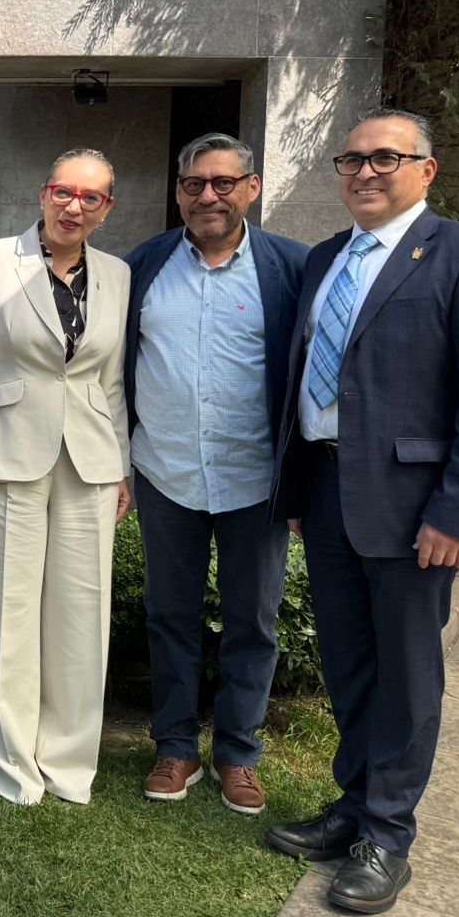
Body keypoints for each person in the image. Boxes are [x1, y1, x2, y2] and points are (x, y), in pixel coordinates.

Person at [265, 108, 459, 913]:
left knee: (408, 676)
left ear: (426, 169)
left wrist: (456, 511)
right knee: (349, 666)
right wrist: (301, 492)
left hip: (418, 511)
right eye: (352, 160)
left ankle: (387, 835)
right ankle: (352, 806)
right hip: (329, 496)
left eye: (385, 157)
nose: (366, 172)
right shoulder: (324, 259)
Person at [0, 148, 132, 805]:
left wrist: (122, 464)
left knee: (83, 614)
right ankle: (15, 765)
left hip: (91, 460)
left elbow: (111, 381)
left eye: (91, 197)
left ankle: (70, 764)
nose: (74, 206)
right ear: (44, 193)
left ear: (106, 208)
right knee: (9, 611)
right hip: (5, 452)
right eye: (63, 191)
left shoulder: (117, 274)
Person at [123, 133, 308, 815]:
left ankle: (238, 754)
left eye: (224, 182)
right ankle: (175, 748)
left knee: (252, 622)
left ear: (251, 189)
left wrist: (303, 478)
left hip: (254, 481)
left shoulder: (292, 267)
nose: (208, 195)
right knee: (168, 614)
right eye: (194, 183)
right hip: (166, 472)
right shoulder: (142, 265)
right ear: (178, 192)